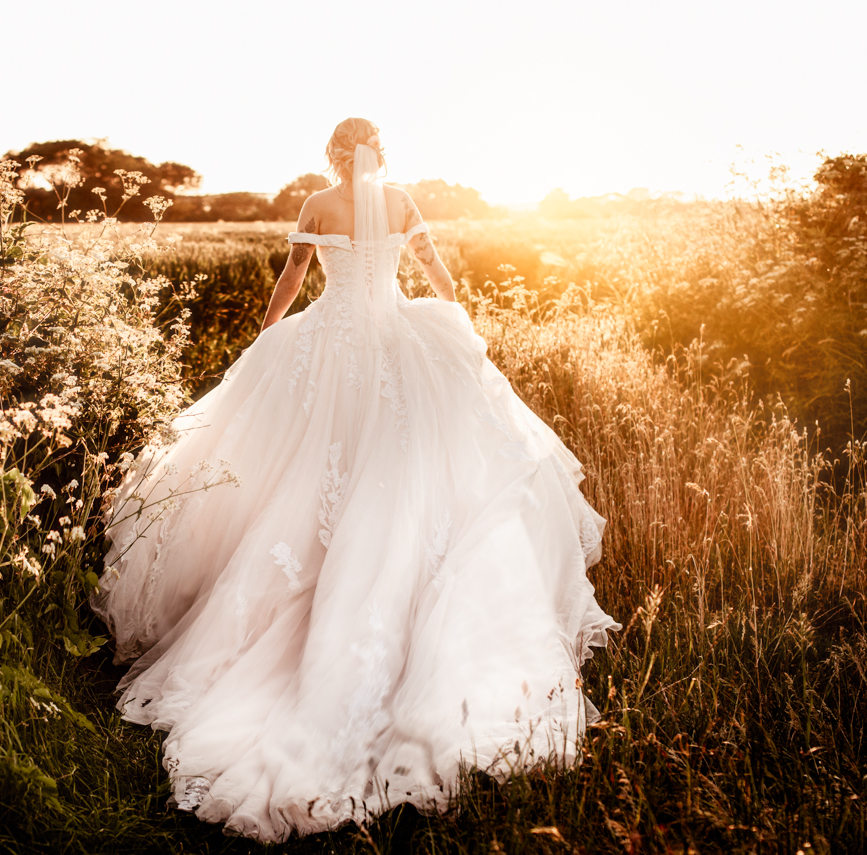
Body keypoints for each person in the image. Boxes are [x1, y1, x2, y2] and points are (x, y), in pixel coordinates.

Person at [93, 118, 619, 843]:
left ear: (334, 155)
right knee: (406, 463)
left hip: (331, 338)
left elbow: (292, 279)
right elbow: (432, 264)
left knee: (303, 464)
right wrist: (457, 314)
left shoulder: (316, 203)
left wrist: (264, 335)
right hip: (395, 338)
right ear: (380, 153)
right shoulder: (400, 200)